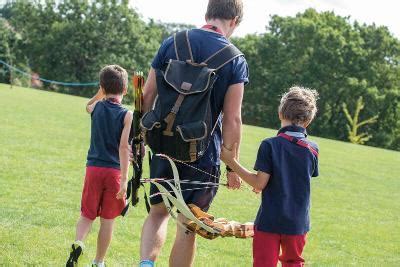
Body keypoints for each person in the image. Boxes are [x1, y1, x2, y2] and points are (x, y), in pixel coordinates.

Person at [139, 0, 248, 266]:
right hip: (203, 154)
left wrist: (139, 137)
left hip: (163, 143)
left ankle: (145, 264)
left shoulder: (171, 42)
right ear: (234, 21)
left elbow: (147, 93)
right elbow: (233, 118)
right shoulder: (235, 59)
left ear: (207, 13)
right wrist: (233, 167)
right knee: (189, 226)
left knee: (157, 214)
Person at [221, 86, 319, 267]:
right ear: (308, 120)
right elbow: (293, 178)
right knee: (293, 263)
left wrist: (231, 161)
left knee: (263, 264)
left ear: (281, 112)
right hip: (298, 224)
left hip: (269, 221)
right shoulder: (313, 149)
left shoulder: (270, 145)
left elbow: (260, 182)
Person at [66, 65, 133, 267]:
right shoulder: (127, 115)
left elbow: (88, 105)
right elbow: (124, 148)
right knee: (107, 220)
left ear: (102, 87)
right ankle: (99, 261)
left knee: (87, 214)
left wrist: (100, 92)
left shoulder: (96, 107)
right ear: (125, 89)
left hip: (93, 168)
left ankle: (78, 242)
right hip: (113, 172)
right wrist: (124, 179)